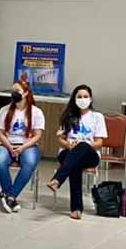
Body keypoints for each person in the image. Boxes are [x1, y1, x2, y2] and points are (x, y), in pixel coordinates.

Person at [48, 85, 106, 220]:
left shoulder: (97, 117)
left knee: (83, 147)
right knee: (74, 164)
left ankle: (57, 179)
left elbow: (99, 143)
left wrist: (84, 145)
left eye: (85, 96)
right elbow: (61, 140)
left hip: (90, 154)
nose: (82, 99)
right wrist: (68, 145)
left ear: (91, 99)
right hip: (68, 153)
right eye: (79, 97)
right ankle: (76, 209)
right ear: (74, 99)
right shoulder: (68, 116)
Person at [0, 78, 45, 213]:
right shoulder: (4, 111)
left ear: (26, 93)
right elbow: (0, 133)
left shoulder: (36, 112)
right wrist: (10, 147)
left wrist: (22, 148)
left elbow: (37, 135)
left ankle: (10, 196)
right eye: (12, 91)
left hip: (28, 146)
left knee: (29, 162)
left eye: (17, 91)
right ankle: (10, 196)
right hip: (7, 144)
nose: (14, 94)